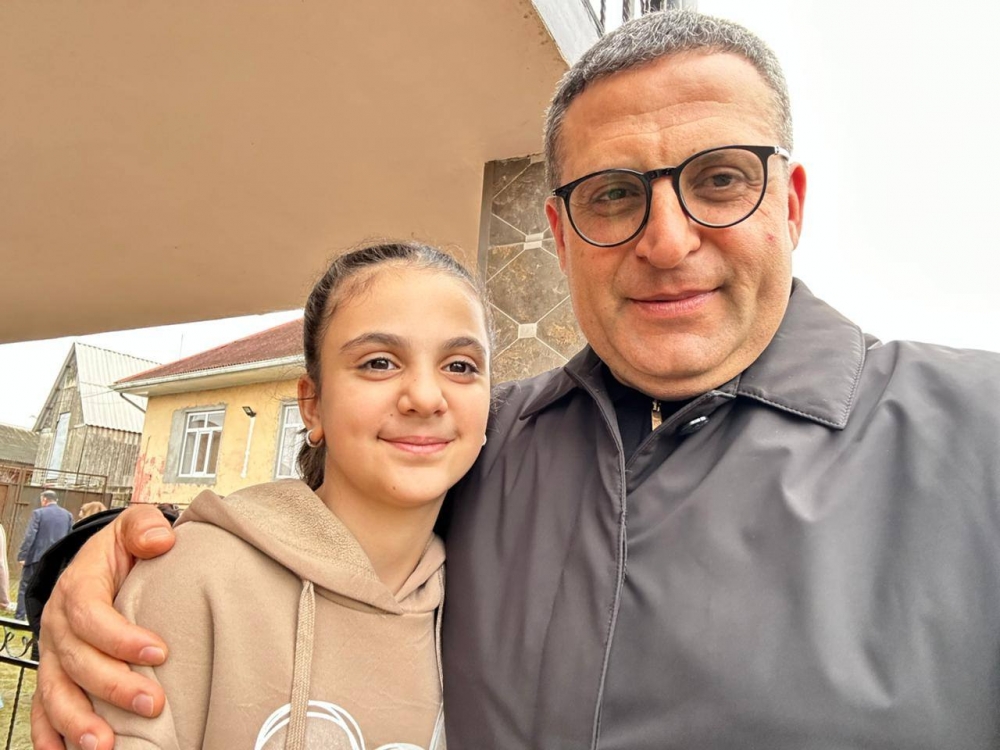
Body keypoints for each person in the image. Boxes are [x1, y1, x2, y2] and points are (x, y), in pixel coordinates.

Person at [32, 9, 1000, 750]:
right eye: (613, 195)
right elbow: (308, 539)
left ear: (788, 204)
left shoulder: (977, 439)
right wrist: (95, 561)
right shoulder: (486, 447)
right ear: (561, 235)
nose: (668, 241)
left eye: (718, 179)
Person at [56, 241, 491, 749]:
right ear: (312, 405)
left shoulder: (492, 601)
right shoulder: (195, 579)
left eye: (460, 366)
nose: (426, 397)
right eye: (378, 362)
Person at [16, 490, 73, 620]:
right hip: (57, 559)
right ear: (56, 500)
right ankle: (42, 617)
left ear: (44, 500)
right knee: (49, 588)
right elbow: (70, 538)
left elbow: (30, 536)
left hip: (37, 557)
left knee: (26, 586)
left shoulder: (38, 513)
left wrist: (23, 555)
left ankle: (20, 615)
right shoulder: (68, 516)